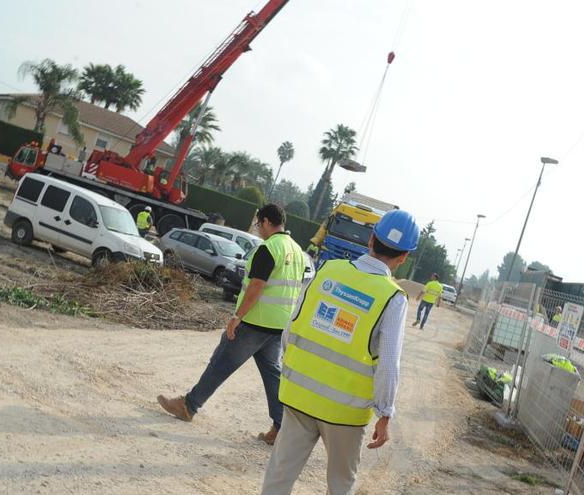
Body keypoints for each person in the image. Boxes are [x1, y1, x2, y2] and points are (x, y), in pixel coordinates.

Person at [261, 209, 420, 495]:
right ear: (404, 257)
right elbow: (388, 365)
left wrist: (292, 368)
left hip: (299, 395)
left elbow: (291, 325)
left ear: (371, 239)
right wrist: (385, 413)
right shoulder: (393, 299)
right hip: (345, 412)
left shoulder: (328, 270)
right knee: (340, 484)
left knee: (280, 474)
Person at [157, 204, 306, 445]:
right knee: (272, 375)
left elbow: (257, 286)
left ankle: (188, 405)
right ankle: (281, 427)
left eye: (259, 224)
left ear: (267, 221)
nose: (258, 229)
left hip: (255, 321)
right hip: (278, 325)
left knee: (220, 363)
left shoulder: (269, 249)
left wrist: (237, 317)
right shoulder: (297, 251)